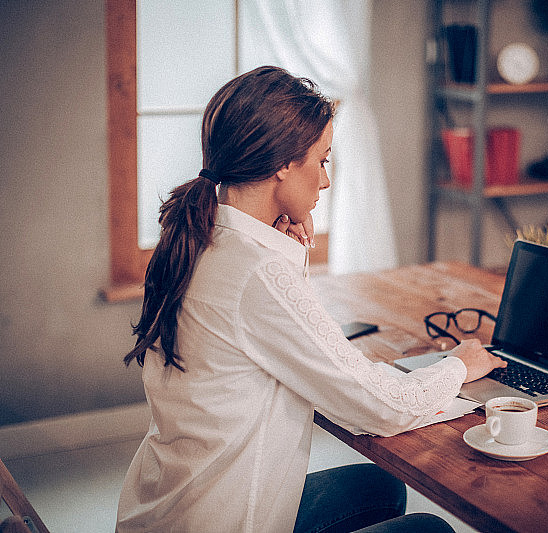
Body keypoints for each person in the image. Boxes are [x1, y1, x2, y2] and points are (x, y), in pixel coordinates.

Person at [116, 66, 505, 533]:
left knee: (380, 488)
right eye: (322, 161)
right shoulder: (258, 272)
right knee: (430, 530)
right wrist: (458, 364)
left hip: (171, 510)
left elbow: (286, 337)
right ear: (283, 164)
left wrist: (290, 253)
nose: (325, 180)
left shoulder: (204, 234)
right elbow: (383, 408)